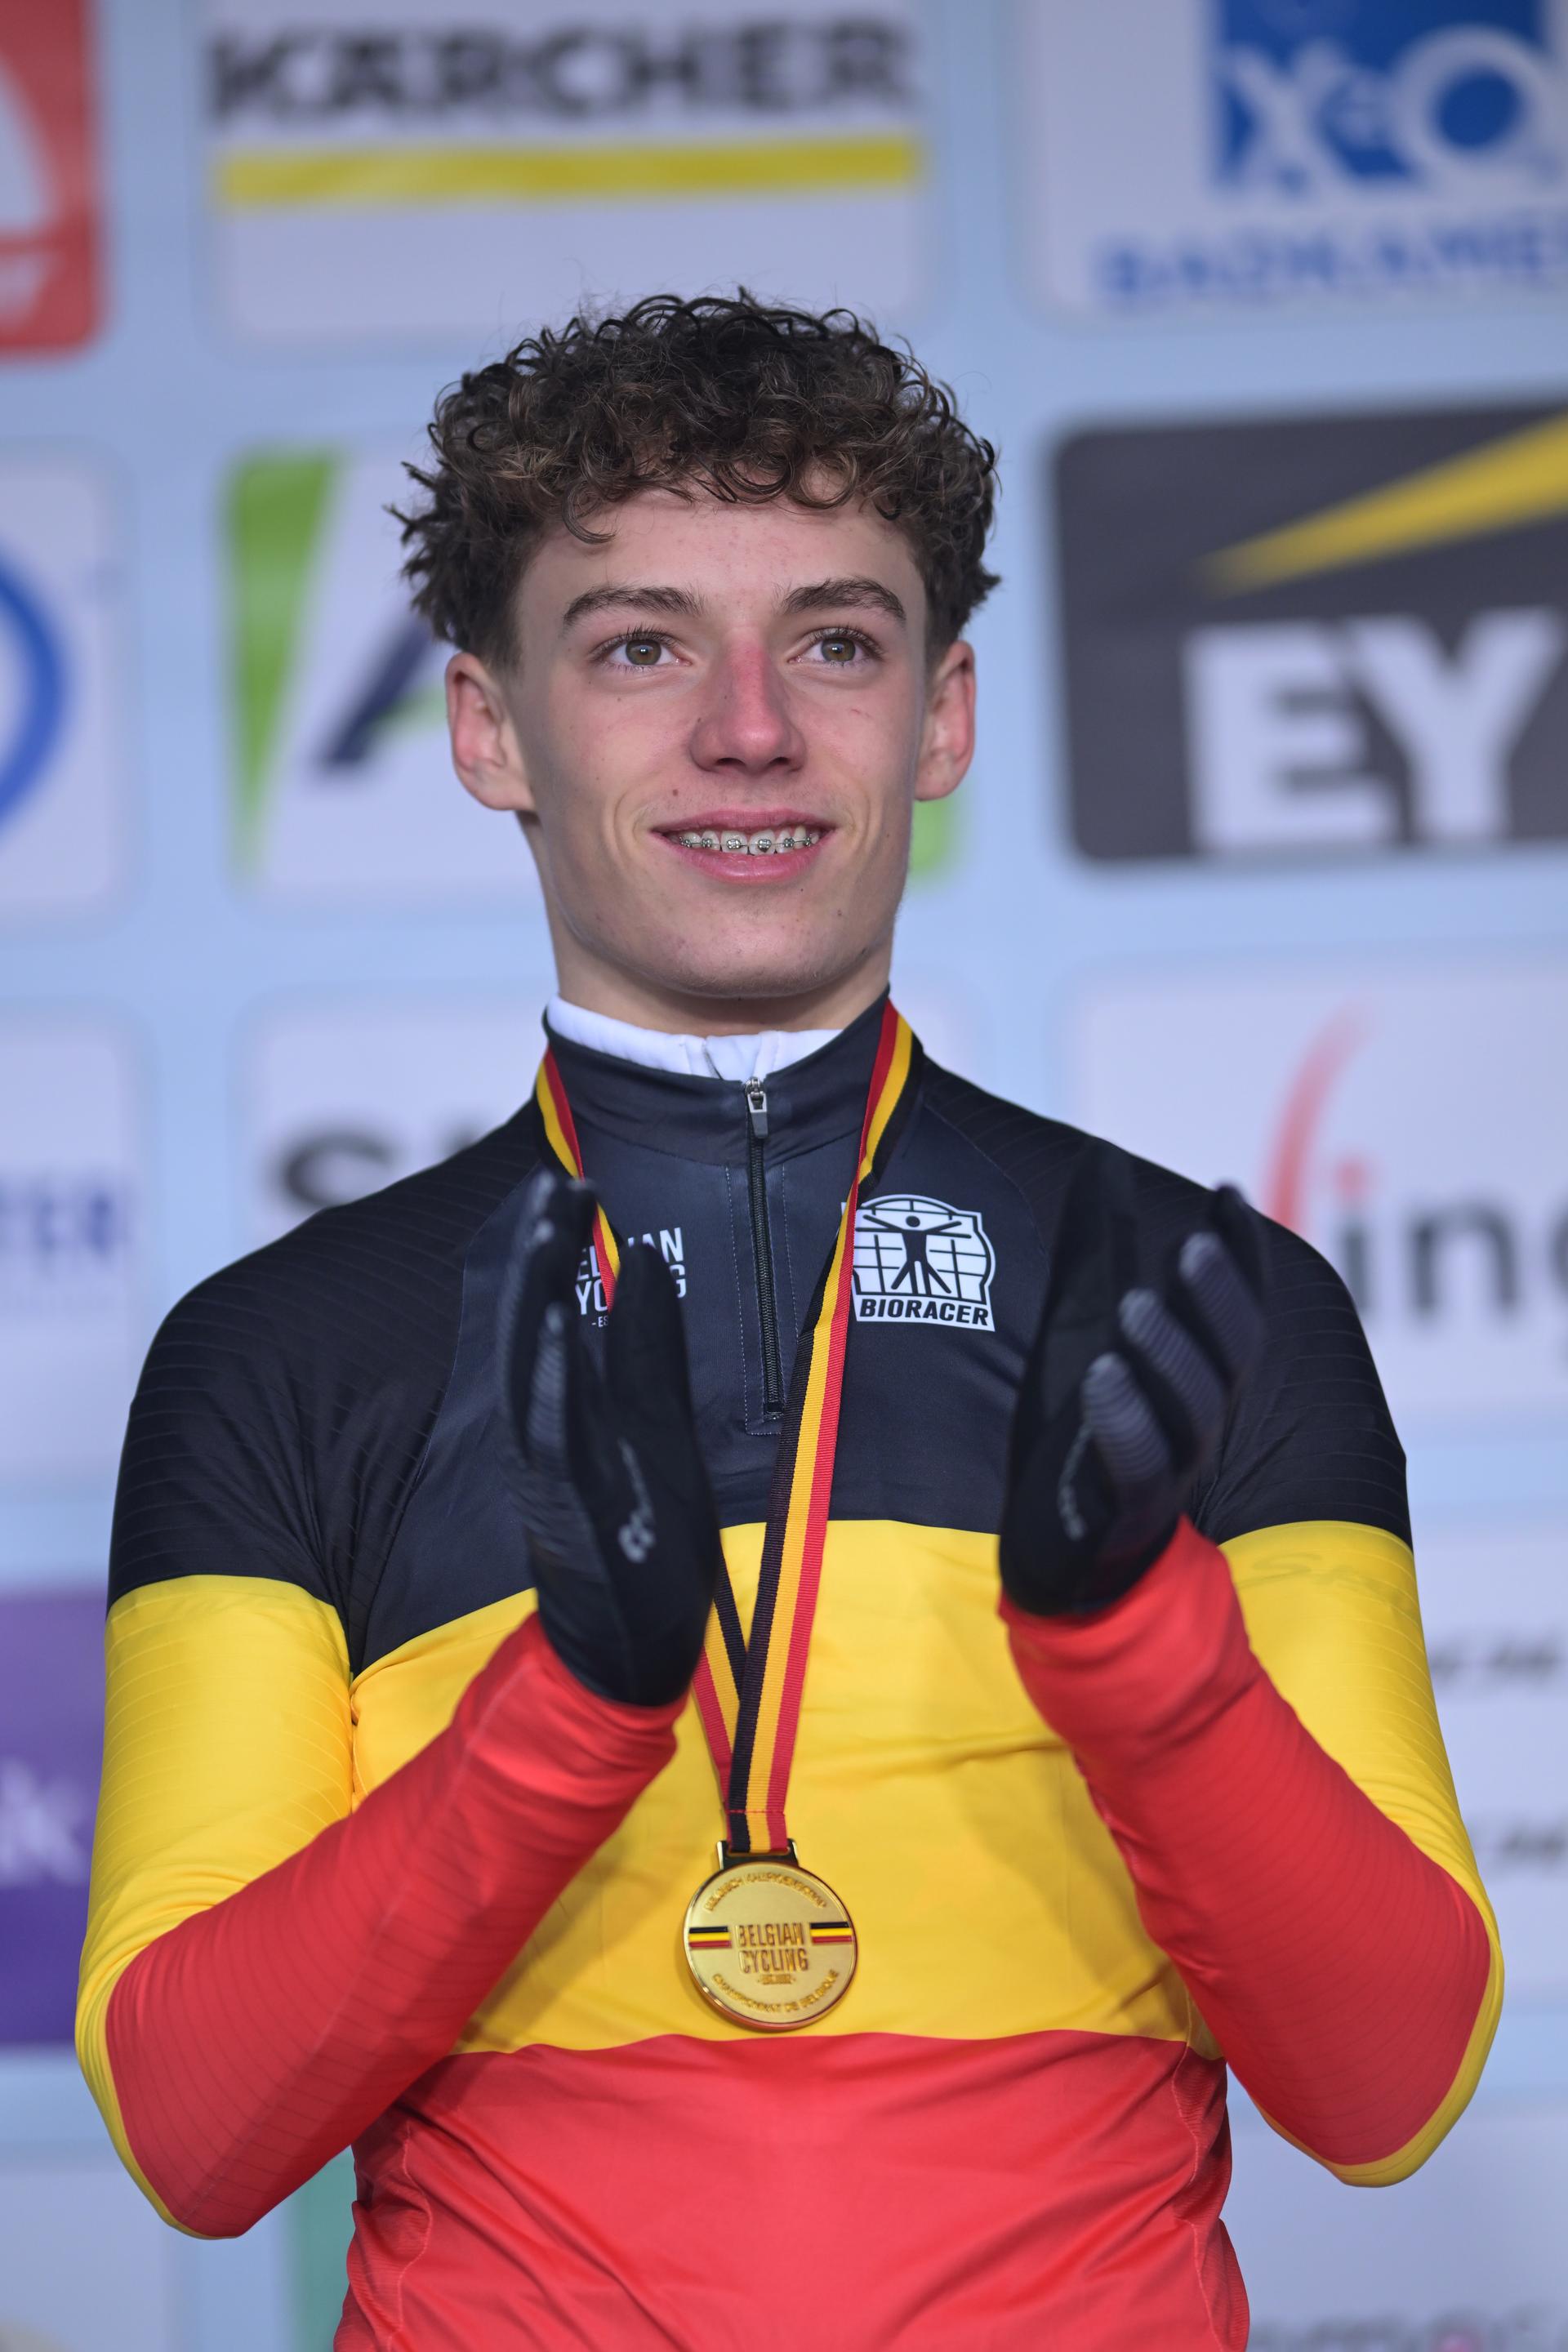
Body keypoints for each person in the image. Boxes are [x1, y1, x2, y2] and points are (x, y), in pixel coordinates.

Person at [78, 294, 1499, 2350]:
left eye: (835, 639)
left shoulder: (1210, 1307)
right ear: (490, 728)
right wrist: (571, 1707)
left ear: (942, 717)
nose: (751, 729)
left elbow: (1391, 2092)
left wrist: (1137, 1653)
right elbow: (196, 2137)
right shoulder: (287, 1346)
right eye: (641, 644)